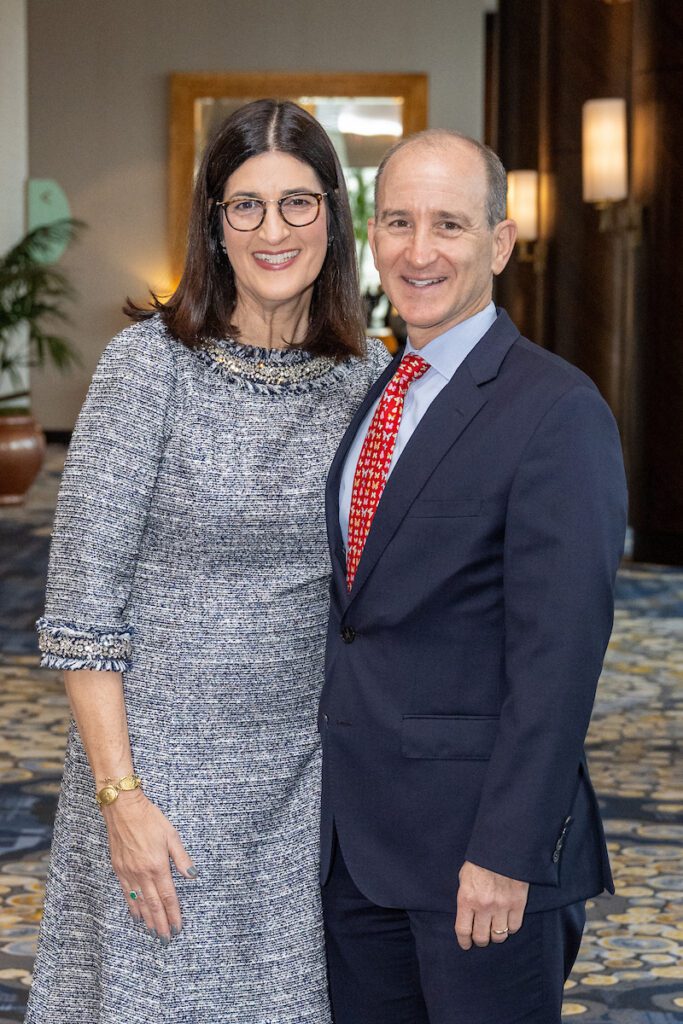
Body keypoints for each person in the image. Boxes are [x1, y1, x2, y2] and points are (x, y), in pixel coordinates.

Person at [28, 99, 389, 1024]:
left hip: (303, 785)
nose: (274, 230)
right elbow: (80, 616)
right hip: (158, 780)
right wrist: (121, 799)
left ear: (332, 218)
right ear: (214, 225)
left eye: (298, 203)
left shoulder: (369, 380)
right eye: (246, 206)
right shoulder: (148, 369)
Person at [319, 129, 628, 1024]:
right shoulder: (377, 388)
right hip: (356, 846)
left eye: (448, 225)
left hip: (477, 863)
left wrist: (506, 853)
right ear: (371, 237)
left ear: (498, 242)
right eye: (399, 222)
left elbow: (560, 660)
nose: (419, 251)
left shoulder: (556, 410)